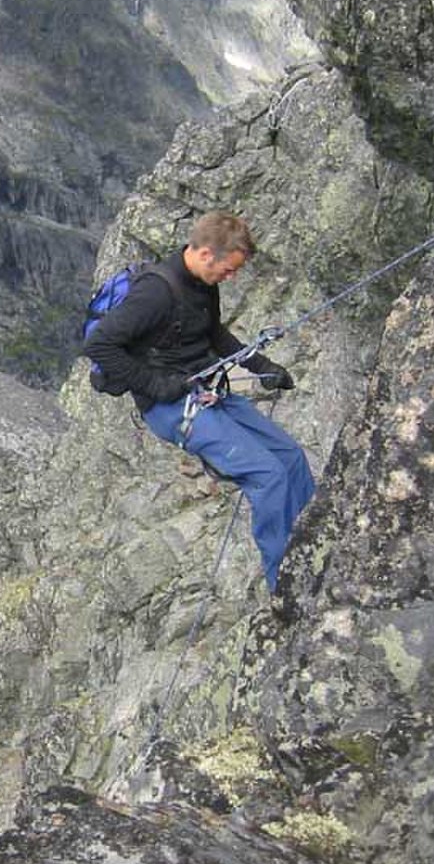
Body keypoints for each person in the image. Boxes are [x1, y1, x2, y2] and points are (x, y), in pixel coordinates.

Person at [83, 211, 314, 594]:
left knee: (290, 457)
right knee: (268, 475)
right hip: (172, 407)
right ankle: (286, 585)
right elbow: (99, 345)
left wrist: (261, 366)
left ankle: (313, 544)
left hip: (206, 390)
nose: (231, 277)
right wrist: (155, 385)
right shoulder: (154, 294)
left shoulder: (202, 284)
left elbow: (214, 334)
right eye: (228, 269)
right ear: (206, 253)